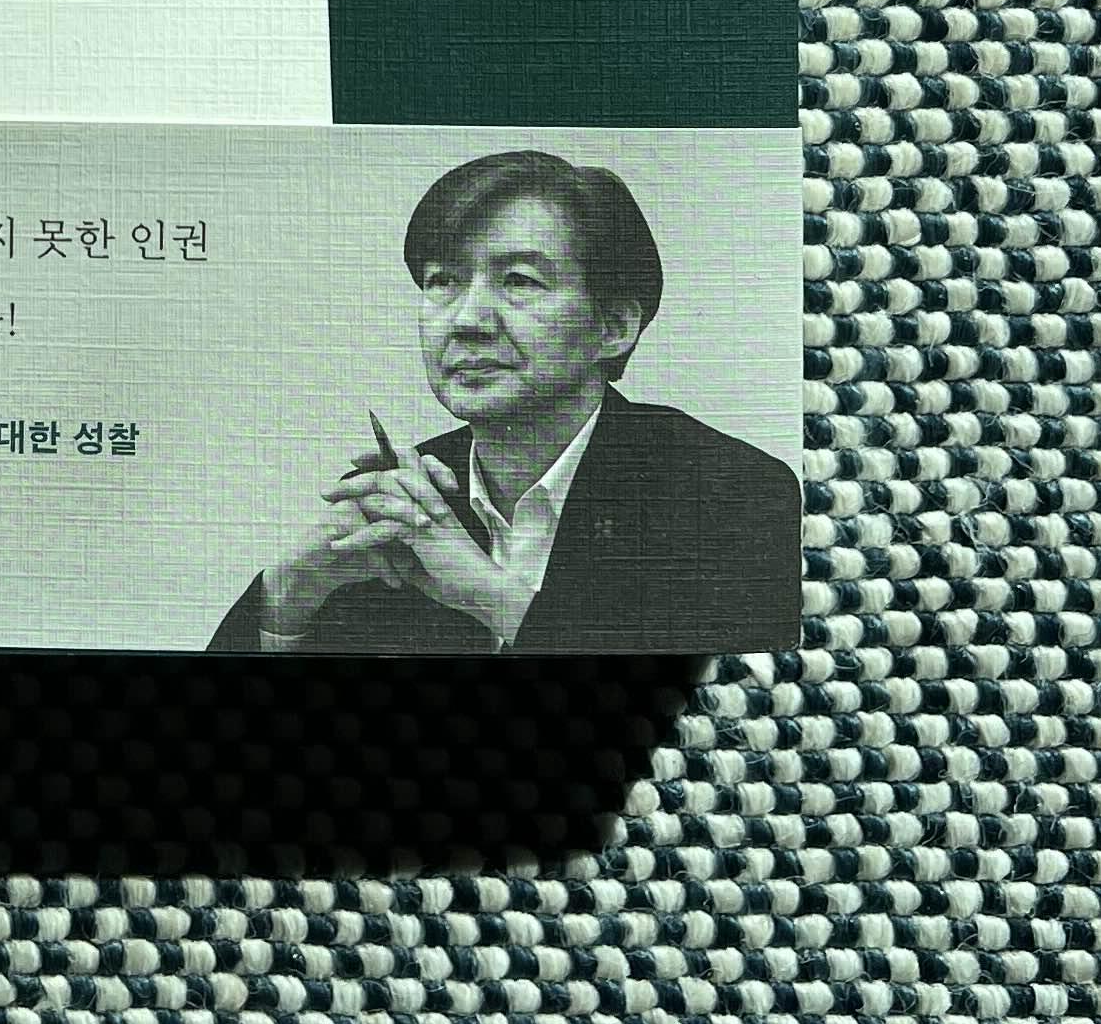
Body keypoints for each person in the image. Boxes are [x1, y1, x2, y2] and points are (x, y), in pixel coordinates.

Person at [211, 147, 799, 654]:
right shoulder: (402, 501)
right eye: (443, 281)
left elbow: (724, 723)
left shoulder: (730, 493)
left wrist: (485, 592)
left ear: (614, 327)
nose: (466, 320)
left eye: (519, 281)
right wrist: (292, 590)